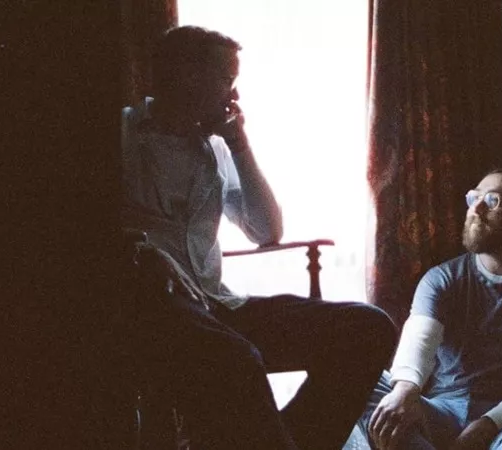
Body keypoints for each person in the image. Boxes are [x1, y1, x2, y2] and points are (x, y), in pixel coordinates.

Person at [121, 25, 397, 450]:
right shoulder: (120, 135)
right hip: (155, 310)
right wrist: (141, 252)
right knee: (236, 359)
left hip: (218, 304)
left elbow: (267, 230)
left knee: (369, 328)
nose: (233, 94)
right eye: (226, 79)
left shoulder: (215, 148)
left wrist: (239, 144)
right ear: (188, 76)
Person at [356, 169, 502, 450]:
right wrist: (404, 391)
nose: (477, 207)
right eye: (474, 197)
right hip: (442, 411)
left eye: (493, 200)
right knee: (361, 383)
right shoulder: (442, 279)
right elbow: (419, 343)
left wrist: (487, 425)